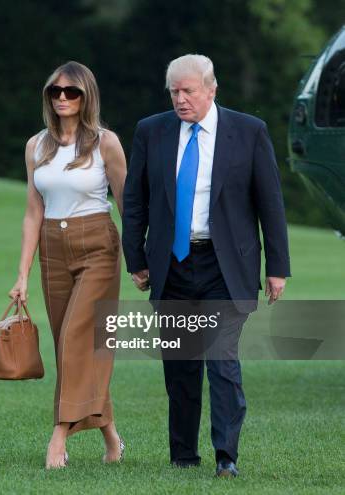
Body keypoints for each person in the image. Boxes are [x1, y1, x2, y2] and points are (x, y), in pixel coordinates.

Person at [122, 54, 290, 477]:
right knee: (180, 366)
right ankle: (182, 455)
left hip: (225, 265)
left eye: (188, 91)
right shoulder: (151, 131)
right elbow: (135, 201)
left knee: (221, 361)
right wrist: (136, 259)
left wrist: (277, 266)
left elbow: (270, 203)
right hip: (172, 265)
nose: (180, 99)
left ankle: (226, 456)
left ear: (211, 89)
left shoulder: (249, 132)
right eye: (174, 92)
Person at [9, 61, 127, 469]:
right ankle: (109, 432)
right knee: (69, 345)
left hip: (98, 245)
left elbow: (128, 204)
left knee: (80, 337)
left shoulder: (105, 143)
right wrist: (22, 273)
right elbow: (31, 212)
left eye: (71, 92)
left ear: (85, 96)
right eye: (55, 92)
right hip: (51, 248)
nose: (62, 98)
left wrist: (141, 262)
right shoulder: (35, 146)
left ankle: (59, 435)